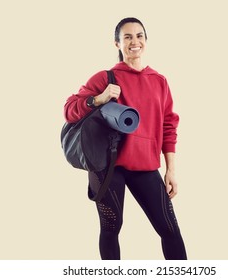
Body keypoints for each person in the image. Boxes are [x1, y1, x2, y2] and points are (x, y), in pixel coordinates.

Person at [64, 17, 187, 260]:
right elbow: (69, 110)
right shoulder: (105, 77)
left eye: (139, 36)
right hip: (108, 166)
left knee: (170, 229)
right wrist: (98, 99)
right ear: (117, 44)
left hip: (145, 166)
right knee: (111, 229)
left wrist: (171, 169)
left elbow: (168, 125)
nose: (135, 42)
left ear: (146, 41)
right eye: (127, 37)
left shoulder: (159, 81)